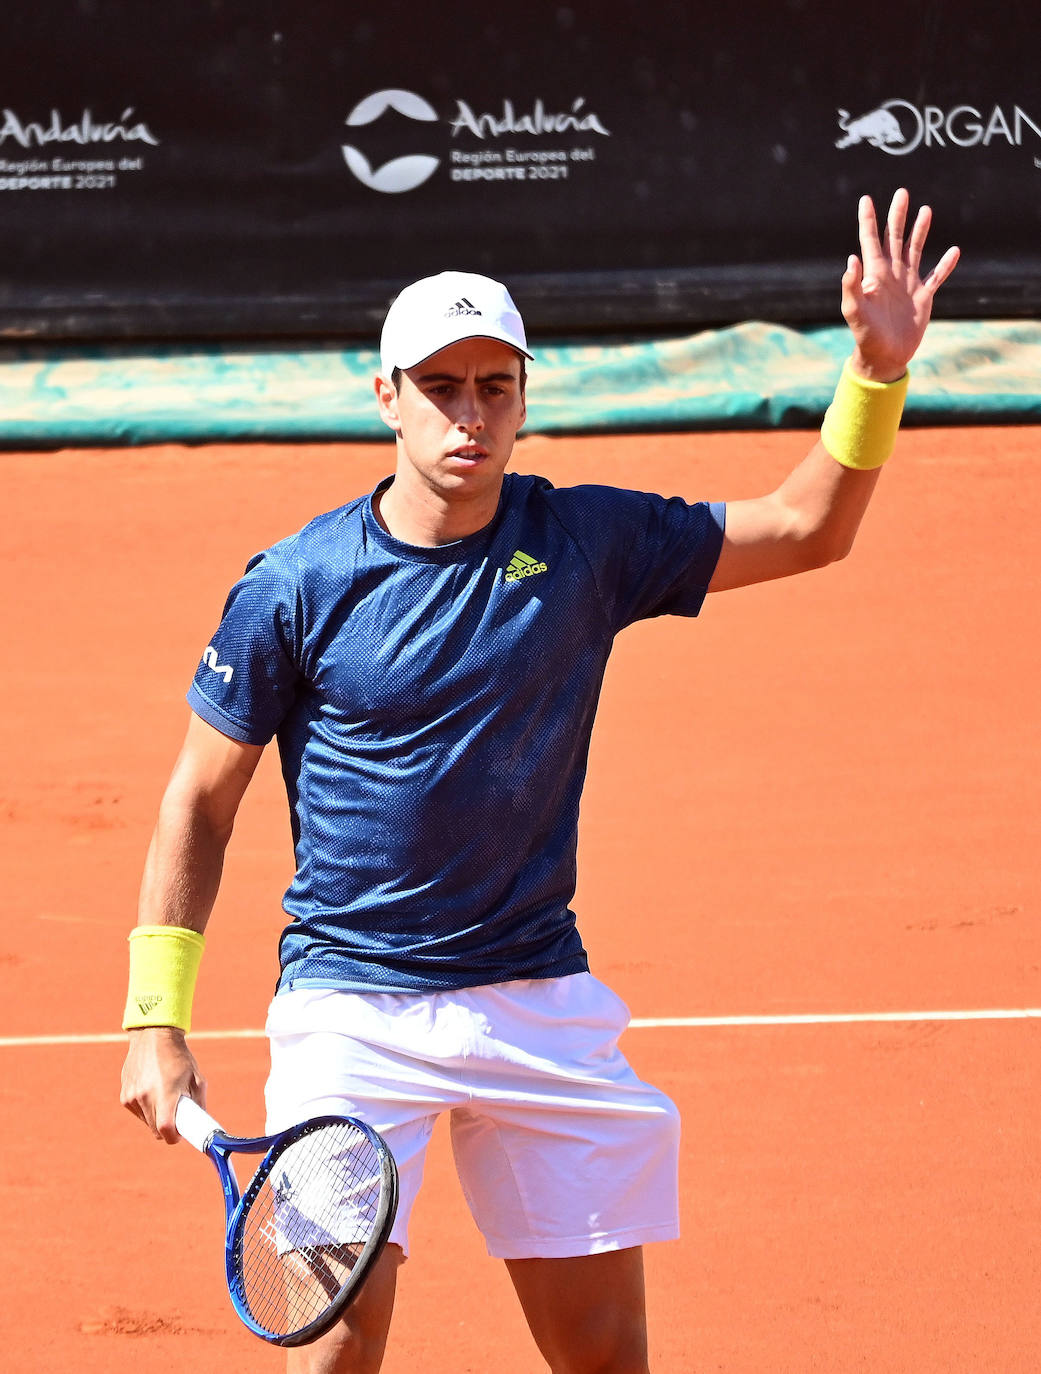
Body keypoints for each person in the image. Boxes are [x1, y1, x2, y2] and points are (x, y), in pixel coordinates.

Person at [120, 188, 958, 1374]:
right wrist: (156, 1017)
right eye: (441, 388)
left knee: (608, 1359)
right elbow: (200, 798)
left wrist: (876, 373)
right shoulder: (295, 585)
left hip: (535, 998)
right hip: (353, 1013)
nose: (470, 415)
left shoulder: (587, 543)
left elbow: (811, 526)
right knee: (336, 1346)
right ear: (386, 399)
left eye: (494, 387)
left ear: (523, 398)